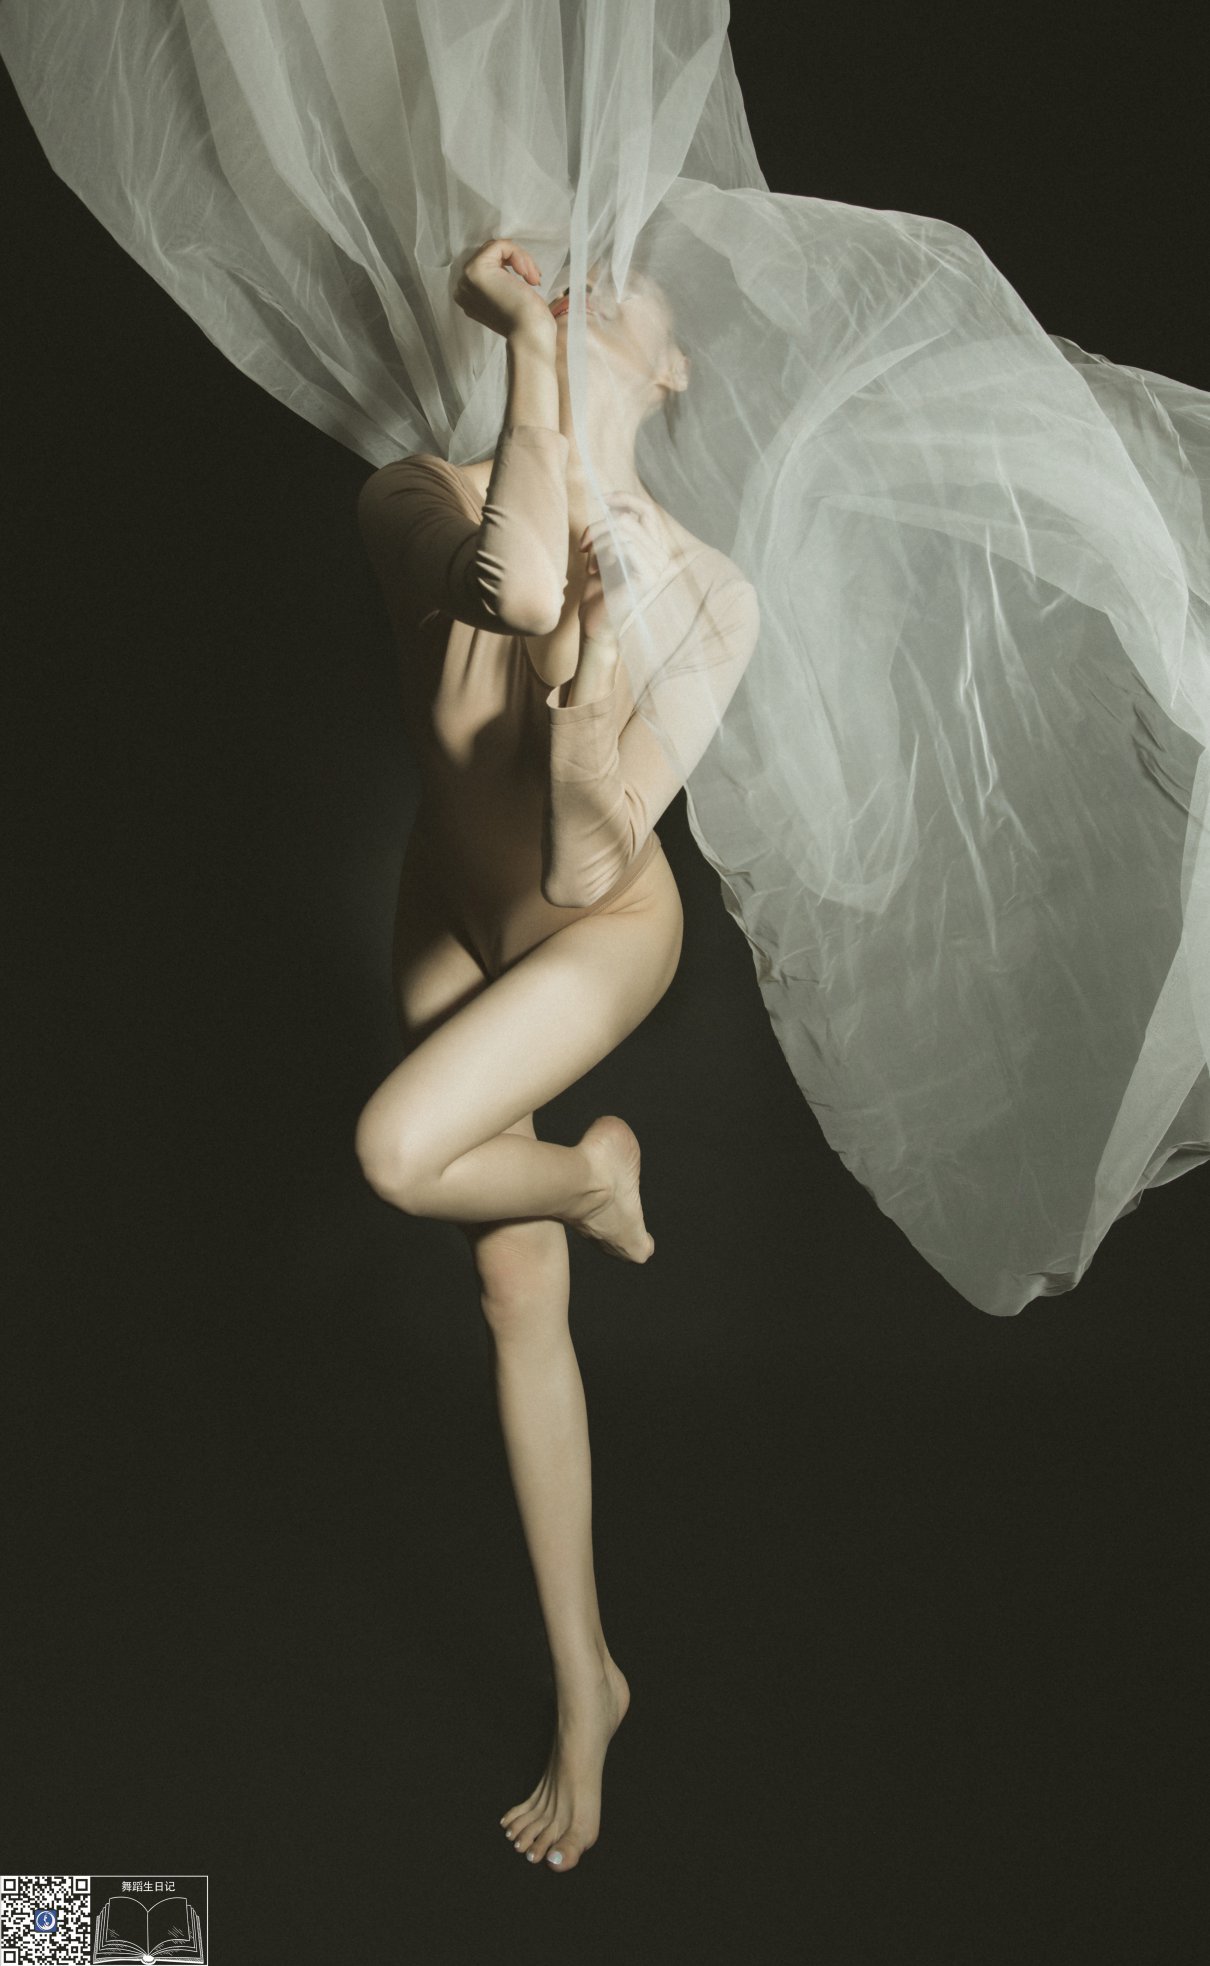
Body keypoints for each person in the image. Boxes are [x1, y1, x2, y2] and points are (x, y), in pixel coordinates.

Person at [352, 238, 760, 1871]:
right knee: (514, 1287)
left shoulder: (713, 593)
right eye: (575, 256)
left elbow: (593, 863)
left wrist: (596, 688)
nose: (594, 276)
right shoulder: (412, 492)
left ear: (674, 365)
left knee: (399, 1155)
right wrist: (529, 352)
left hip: (600, 928)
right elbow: (508, 591)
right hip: (451, 901)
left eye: (627, 281)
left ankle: (591, 1177)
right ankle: (587, 1677)